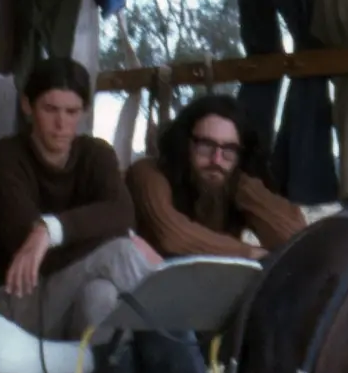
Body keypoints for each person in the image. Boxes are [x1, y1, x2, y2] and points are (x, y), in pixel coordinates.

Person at [0, 58, 223, 373]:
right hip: (18, 299)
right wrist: (100, 236)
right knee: (121, 252)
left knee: (103, 300)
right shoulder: (3, 160)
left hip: (75, 305)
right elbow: (22, 246)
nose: (60, 123)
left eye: (70, 111)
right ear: (28, 107)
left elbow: (121, 212)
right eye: (50, 110)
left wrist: (51, 229)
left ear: (83, 111)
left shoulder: (96, 155)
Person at [126, 93, 307, 261]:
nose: (216, 160)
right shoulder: (148, 173)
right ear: (184, 144)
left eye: (229, 150)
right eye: (206, 146)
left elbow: (299, 238)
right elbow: (172, 236)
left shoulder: (234, 182)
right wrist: (248, 253)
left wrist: (244, 188)